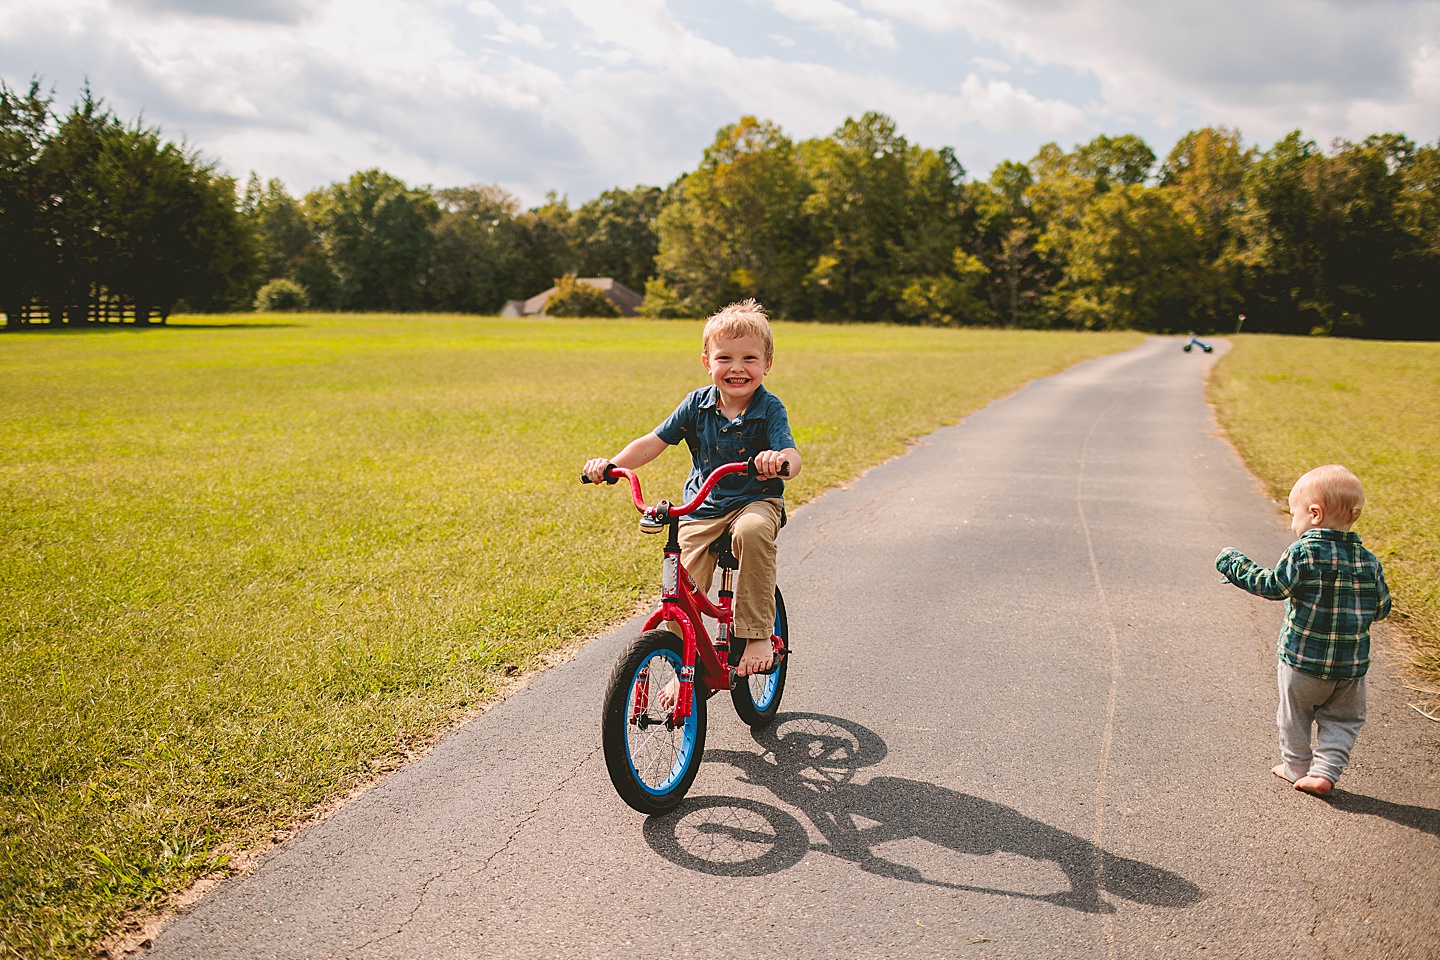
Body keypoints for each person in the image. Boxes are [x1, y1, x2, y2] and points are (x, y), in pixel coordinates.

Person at [582, 298, 801, 679]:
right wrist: (613, 465)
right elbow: (653, 441)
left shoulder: (769, 408)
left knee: (752, 533)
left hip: (755, 500)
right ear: (707, 362)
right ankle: (683, 667)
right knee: (684, 582)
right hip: (704, 505)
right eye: (724, 359)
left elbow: (791, 457)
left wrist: (777, 462)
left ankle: (756, 635)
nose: (737, 368)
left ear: (767, 364)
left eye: (749, 359)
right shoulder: (696, 405)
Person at [1216, 464, 1391, 796]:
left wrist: (1233, 563)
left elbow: (1272, 586)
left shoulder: (1303, 552)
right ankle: (1324, 772)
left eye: (1293, 513)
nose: (1293, 521)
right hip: (1350, 669)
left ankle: (1296, 766)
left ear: (1314, 513)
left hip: (1302, 663)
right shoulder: (1369, 561)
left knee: (1293, 715)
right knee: (1342, 721)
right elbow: (1382, 608)